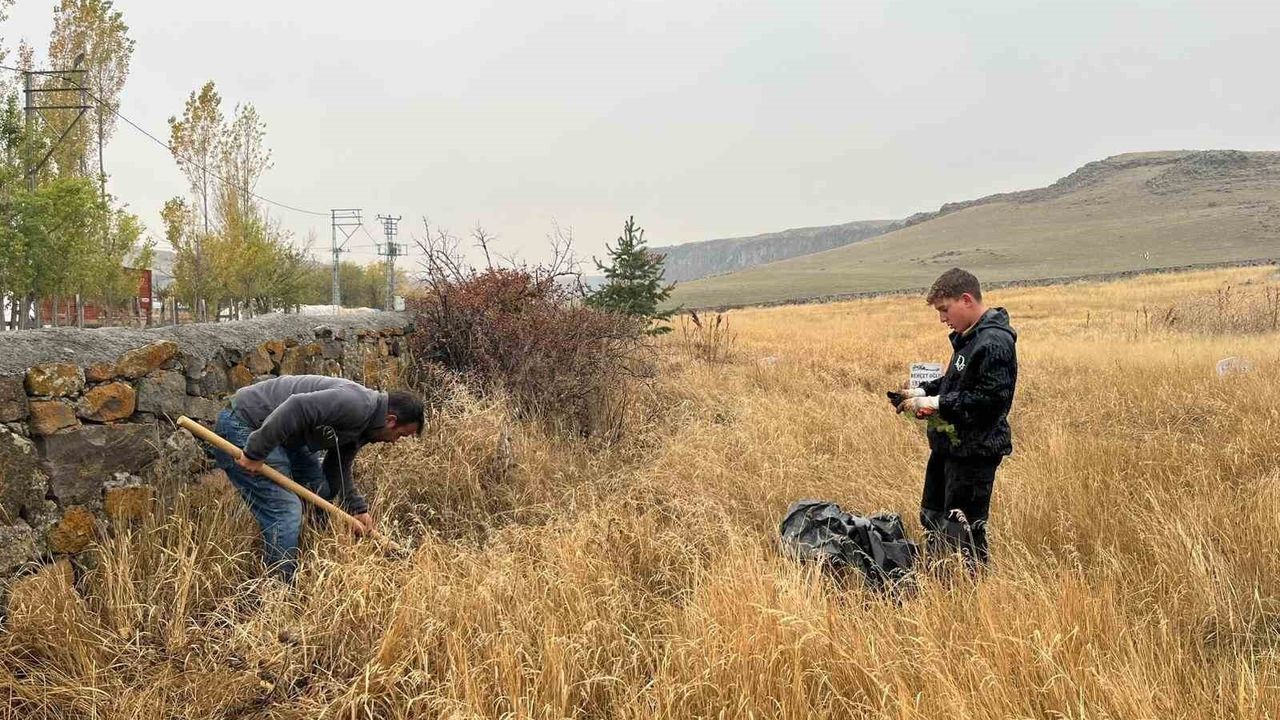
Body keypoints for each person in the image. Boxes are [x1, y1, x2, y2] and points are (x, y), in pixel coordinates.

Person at [212, 374, 424, 582]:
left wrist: (357, 508)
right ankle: (278, 591)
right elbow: (296, 407)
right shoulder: (356, 405)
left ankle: (314, 563)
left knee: (320, 491)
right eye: (400, 435)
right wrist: (255, 453)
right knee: (285, 511)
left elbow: (338, 465)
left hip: (287, 437)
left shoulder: (368, 426)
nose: (395, 441)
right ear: (390, 421)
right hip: (246, 422)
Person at [893, 268, 1017, 570]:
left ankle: (968, 594)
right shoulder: (970, 338)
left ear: (966, 300)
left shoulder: (994, 343)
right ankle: (940, 579)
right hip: (950, 448)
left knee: (964, 532)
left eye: (944, 310)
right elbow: (955, 382)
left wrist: (934, 403)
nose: (942, 319)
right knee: (934, 516)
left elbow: (987, 402)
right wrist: (921, 391)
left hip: (974, 454)